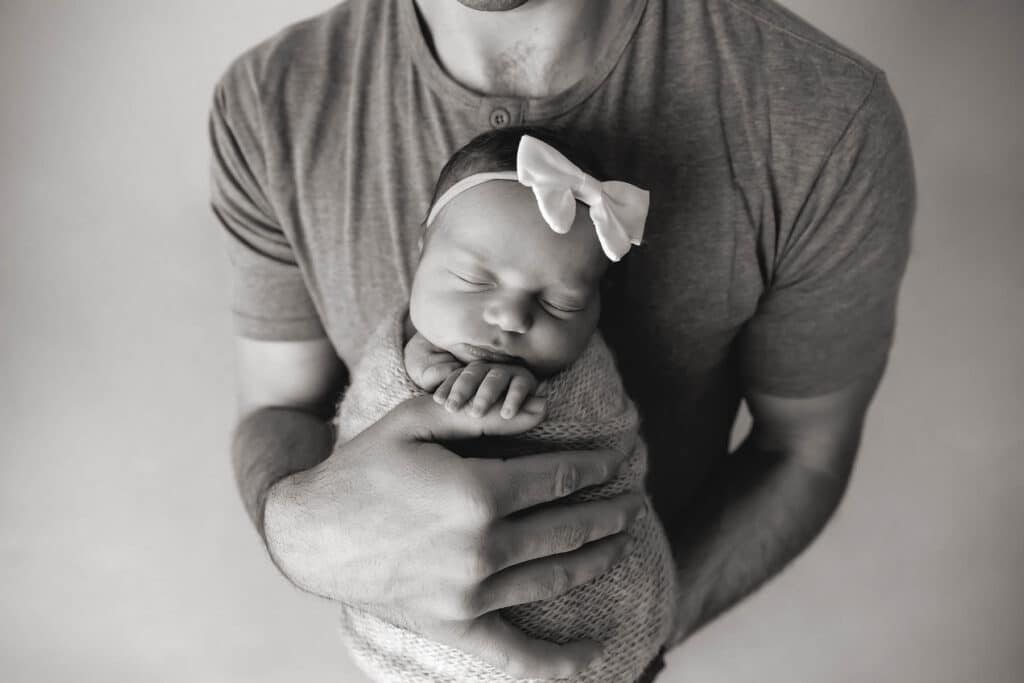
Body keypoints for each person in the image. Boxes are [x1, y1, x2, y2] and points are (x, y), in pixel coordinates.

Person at [209, 0, 914, 679]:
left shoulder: (821, 114)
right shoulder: (270, 102)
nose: (510, 318)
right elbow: (283, 408)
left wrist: (618, 645)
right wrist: (299, 533)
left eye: (554, 300)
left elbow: (804, 449)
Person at [333, 126, 676, 682]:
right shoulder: (403, 350)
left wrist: (520, 404)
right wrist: (419, 366)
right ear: (421, 250)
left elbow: (604, 443)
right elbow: (363, 446)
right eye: (473, 279)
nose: (512, 318)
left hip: (595, 617)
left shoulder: (582, 373)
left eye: (559, 304)